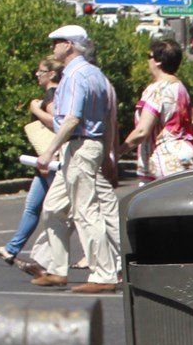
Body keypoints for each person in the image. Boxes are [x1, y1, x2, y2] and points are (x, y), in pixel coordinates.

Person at [19, 25, 120, 293]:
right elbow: (109, 119)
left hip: (80, 146)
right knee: (53, 208)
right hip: (87, 147)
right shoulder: (96, 75)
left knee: (86, 212)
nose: (54, 46)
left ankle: (104, 274)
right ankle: (56, 268)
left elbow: (72, 119)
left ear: (71, 45)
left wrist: (49, 151)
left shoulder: (76, 76)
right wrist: (108, 154)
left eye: (59, 41)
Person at [0, 56, 62, 265]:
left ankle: (86, 258)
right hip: (44, 161)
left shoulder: (51, 95)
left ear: (51, 74)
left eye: (40, 71)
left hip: (51, 159)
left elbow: (58, 122)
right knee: (33, 206)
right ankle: (12, 249)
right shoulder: (52, 94)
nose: (37, 75)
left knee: (64, 212)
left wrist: (36, 110)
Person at [122, 38, 193, 179]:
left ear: (158, 61)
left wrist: (118, 152)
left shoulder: (157, 90)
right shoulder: (181, 88)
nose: (148, 61)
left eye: (149, 57)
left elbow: (142, 131)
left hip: (164, 159)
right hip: (185, 154)